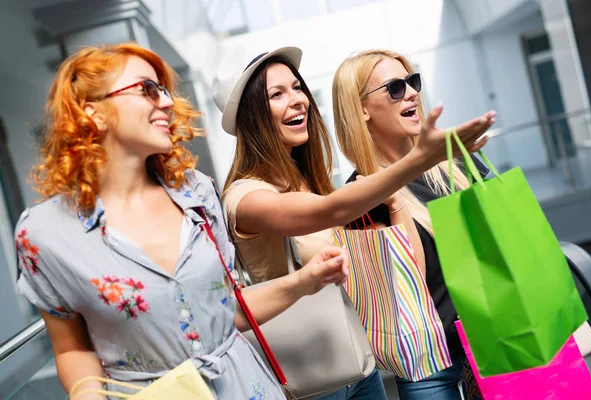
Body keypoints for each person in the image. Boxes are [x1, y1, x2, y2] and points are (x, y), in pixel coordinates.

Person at [14, 43, 352, 400]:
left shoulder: (197, 194)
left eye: (163, 90)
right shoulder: (43, 235)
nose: (166, 102)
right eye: (147, 89)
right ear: (93, 113)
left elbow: (228, 309)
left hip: (248, 388)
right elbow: (71, 349)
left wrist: (305, 280)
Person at [212, 46, 494, 399]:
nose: (298, 100)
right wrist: (420, 159)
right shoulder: (245, 196)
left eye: (297, 87)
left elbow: (399, 280)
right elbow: (327, 212)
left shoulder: (312, 182)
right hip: (312, 379)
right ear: (251, 116)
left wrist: (395, 203)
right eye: (277, 94)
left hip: (359, 366)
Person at [332, 49, 493, 399]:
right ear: (361, 109)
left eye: (412, 81)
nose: (411, 92)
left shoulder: (456, 164)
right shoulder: (360, 196)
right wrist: (393, 199)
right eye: (394, 87)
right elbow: (408, 290)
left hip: (498, 336)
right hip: (431, 367)